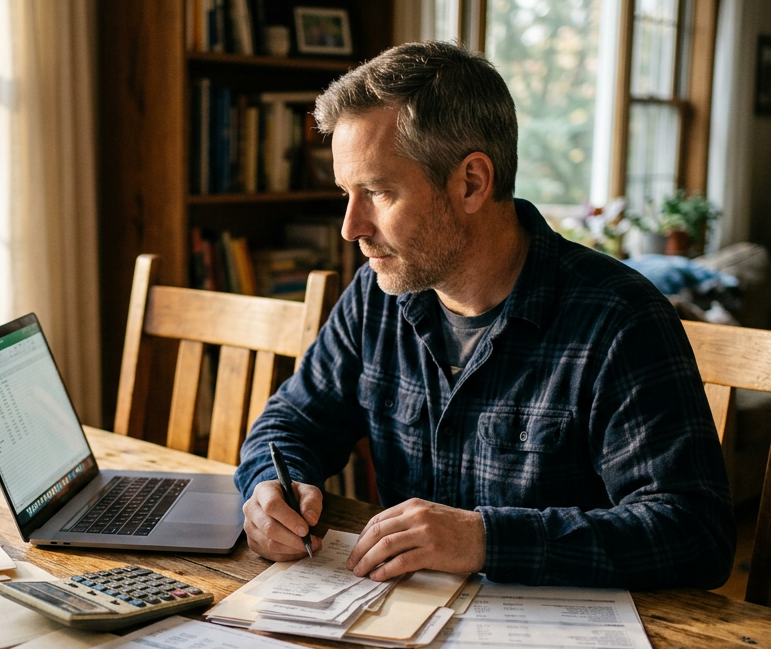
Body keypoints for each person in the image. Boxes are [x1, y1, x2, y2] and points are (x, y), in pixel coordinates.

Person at [233, 41, 734, 590]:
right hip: (401, 629)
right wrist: (269, 489)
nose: (351, 228)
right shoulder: (375, 298)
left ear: (471, 182)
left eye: (377, 192)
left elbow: (695, 534)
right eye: (347, 194)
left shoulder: (619, 320)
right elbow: (291, 423)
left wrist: (485, 540)